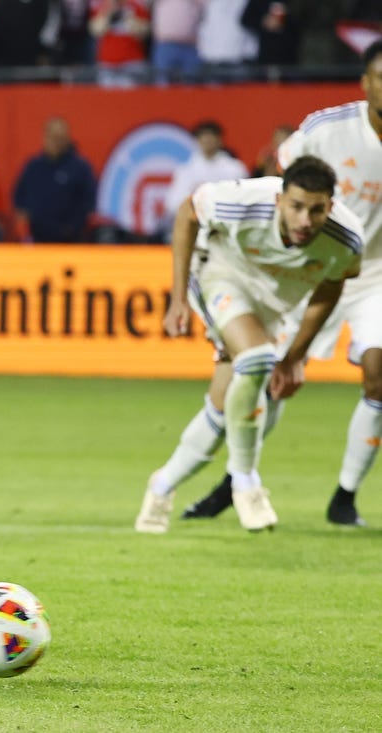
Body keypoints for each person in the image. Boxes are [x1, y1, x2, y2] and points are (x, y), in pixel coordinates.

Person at [181, 41, 382, 527]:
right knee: (264, 379)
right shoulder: (328, 130)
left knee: (379, 373)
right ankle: (234, 481)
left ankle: (345, 496)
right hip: (307, 269)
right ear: (365, 82)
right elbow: (280, 181)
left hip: (373, 272)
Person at [134, 155, 364, 534]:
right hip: (220, 273)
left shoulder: (346, 240)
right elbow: (187, 212)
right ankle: (245, 482)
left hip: (274, 304)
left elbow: (331, 285)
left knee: (225, 406)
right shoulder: (241, 201)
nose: (305, 220)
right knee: (256, 359)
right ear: (279, 200)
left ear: (331, 206)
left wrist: (294, 358)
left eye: (316, 210)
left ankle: (161, 486)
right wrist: (177, 299)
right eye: (296, 207)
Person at [11, 117, 97, 243]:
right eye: (52, 137)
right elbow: (19, 197)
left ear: (67, 139)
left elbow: (89, 203)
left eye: (60, 138)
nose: (56, 142)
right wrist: (24, 224)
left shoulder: (80, 168)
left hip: (71, 241)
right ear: (44, 137)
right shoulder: (33, 167)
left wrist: (72, 228)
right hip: (36, 240)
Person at [161, 120, 249, 237]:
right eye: (203, 137)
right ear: (197, 141)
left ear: (220, 140)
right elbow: (172, 205)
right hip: (194, 227)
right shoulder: (186, 170)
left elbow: (244, 200)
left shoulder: (235, 169)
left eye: (211, 136)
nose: (207, 141)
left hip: (227, 228)